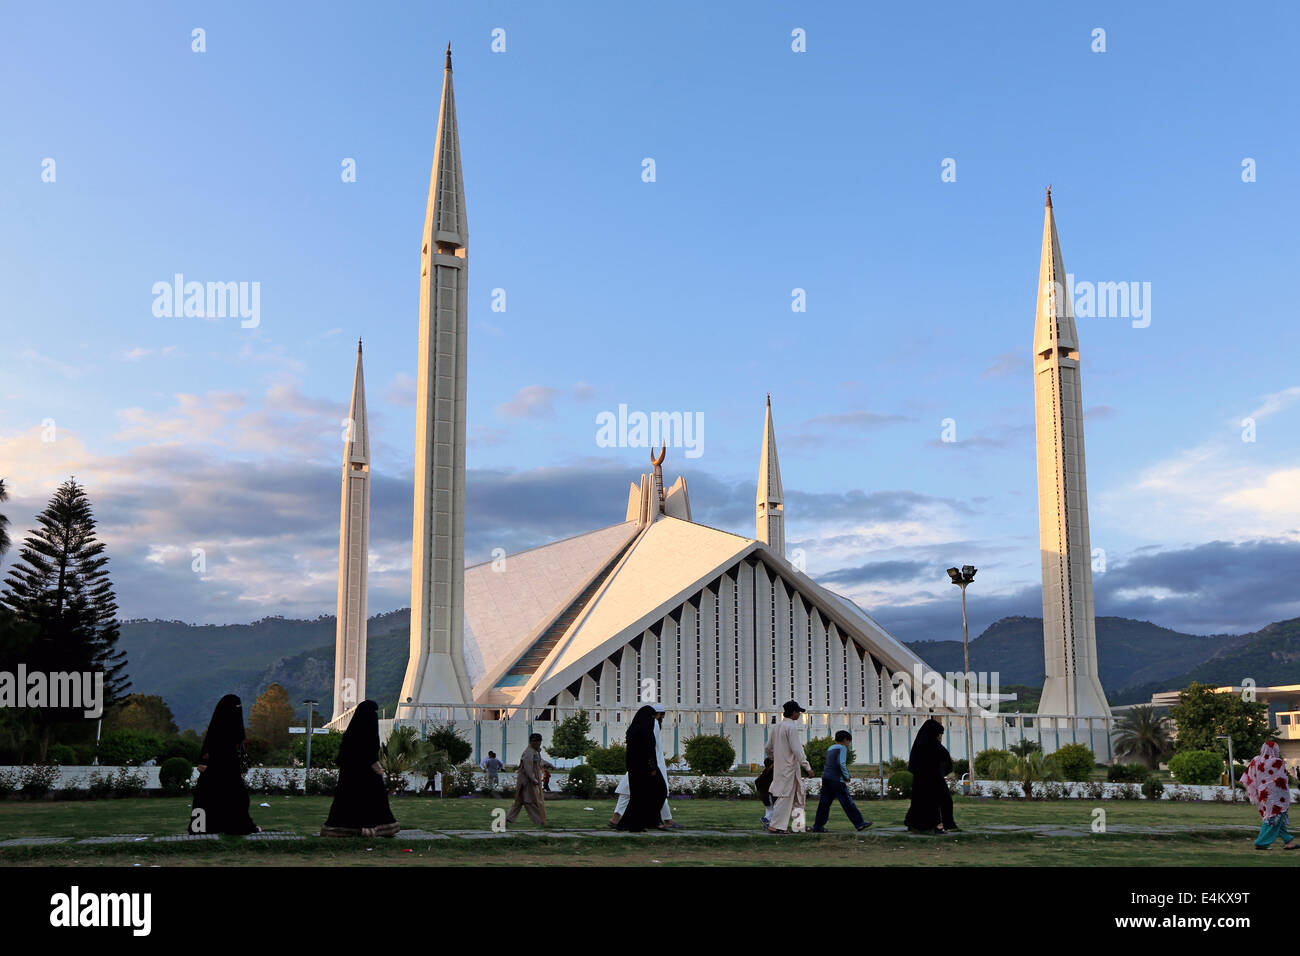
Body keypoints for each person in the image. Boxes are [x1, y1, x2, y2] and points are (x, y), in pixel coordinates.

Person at [320, 700, 400, 838]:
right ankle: (377, 828)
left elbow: (345, 755)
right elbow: (369, 750)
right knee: (375, 800)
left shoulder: (351, 733)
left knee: (347, 801)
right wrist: (374, 763)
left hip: (350, 776)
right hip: (368, 774)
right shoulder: (368, 731)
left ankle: (342, 829)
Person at [189, 694, 259, 835]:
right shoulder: (222, 733)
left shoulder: (217, 729)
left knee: (217, 798)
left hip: (220, 770)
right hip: (222, 769)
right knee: (233, 798)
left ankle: (211, 827)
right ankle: (232, 826)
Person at [609, 704, 680, 829]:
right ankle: (659, 820)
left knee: (633, 791)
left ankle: (618, 819)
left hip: (641, 764)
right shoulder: (652, 724)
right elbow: (649, 746)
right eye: (661, 714)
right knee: (657, 791)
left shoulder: (637, 726)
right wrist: (652, 766)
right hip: (649, 764)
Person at [765, 700, 813, 834]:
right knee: (785, 797)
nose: (799, 715)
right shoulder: (791, 727)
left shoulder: (777, 726)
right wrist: (807, 767)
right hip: (790, 769)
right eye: (798, 712)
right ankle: (775, 826)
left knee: (798, 797)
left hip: (782, 768)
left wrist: (777, 758)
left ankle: (799, 826)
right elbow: (797, 750)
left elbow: (768, 748)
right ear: (793, 713)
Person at [1241, 738, 1297, 850]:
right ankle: (1261, 842)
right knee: (1273, 819)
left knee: (1276, 818)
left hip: (1264, 795)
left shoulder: (1256, 760)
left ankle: (1288, 842)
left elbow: (1249, 776)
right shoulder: (1278, 762)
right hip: (1277, 796)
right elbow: (1283, 779)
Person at [811, 730, 872, 832]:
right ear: (845, 740)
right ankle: (859, 823)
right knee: (847, 802)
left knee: (824, 804)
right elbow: (841, 763)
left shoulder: (830, 748)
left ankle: (818, 826)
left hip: (826, 777)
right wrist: (846, 776)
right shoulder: (842, 748)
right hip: (836, 779)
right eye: (849, 742)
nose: (848, 745)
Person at [904, 718, 956, 834]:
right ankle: (938, 825)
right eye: (939, 735)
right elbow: (945, 761)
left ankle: (914, 824)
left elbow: (913, 764)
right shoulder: (933, 746)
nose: (940, 738)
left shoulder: (920, 744)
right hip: (933, 779)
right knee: (940, 801)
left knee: (920, 803)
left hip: (921, 780)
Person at [505, 734, 548, 827]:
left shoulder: (535, 752)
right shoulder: (529, 752)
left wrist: (549, 764)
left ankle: (506, 820)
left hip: (529, 781)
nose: (538, 743)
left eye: (539, 741)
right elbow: (528, 767)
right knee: (530, 801)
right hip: (526, 782)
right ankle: (540, 821)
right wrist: (533, 779)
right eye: (536, 741)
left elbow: (539, 762)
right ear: (532, 742)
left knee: (519, 802)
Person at [755, 757, 775, 828]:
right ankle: (766, 820)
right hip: (768, 794)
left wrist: (759, 790)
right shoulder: (770, 773)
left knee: (769, 810)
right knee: (772, 810)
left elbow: (757, 781)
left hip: (764, 795)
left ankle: (767, 825)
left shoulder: (764, 772)